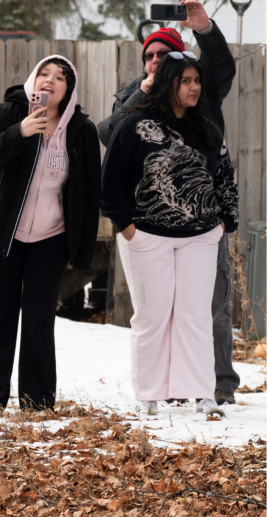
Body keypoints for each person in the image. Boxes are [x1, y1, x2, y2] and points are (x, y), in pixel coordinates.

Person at [96, 1, 239, 407]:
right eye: (149, 56)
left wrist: (205, 29)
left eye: (163, 55)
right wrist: (126, 227)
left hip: (202, 227)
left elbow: (222, 70)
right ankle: (156, 394)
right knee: (156, 314)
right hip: (148, 230)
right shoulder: (133, 98)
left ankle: (216, 385)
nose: (155, 61)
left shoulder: (203, 96)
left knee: (207, 310)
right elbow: (111, 140)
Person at [0, 55, 101, 413]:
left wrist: (81, 251)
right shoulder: (10, 112)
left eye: (60, 77)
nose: (50, 81)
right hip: (2, 234)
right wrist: (22, 131)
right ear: (33, 79)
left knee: (40, 318)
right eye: (44, 74)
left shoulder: (81, 130)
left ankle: (37, 401)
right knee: (0, 315)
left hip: (51, 237)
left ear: (68, 90)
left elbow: (90, 194)